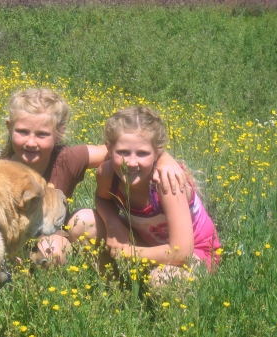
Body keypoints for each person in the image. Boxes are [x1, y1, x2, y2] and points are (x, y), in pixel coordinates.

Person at [0, 88, 187, 265]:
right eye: (22, 132)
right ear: (9, 127)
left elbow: (125, 150)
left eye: (42, 134)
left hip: (52, 238)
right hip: (8, 241)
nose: (31, 142)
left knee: (52, 251)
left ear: (59, 133)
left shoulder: (66, 160)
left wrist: (163, 159)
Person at [70, 107, 221, 286]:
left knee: (163, 280)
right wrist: (113, 225)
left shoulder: (166, 184)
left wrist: (128, 253)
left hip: (195, 253)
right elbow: (103, 199)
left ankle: (178, 310)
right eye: (123, 153)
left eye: (142, 153)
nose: (131, 162)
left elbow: (181, 254)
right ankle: (114, 290)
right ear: (109, 149)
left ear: (158, 153)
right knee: (81, 222)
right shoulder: (107, 174)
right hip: (148, 244)